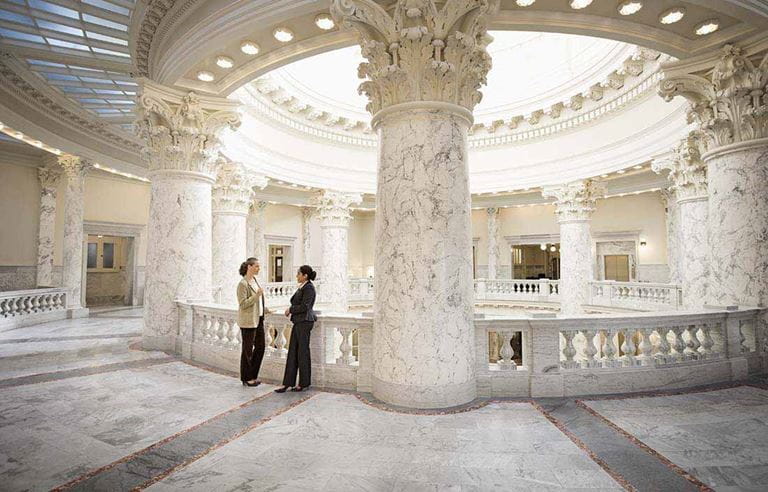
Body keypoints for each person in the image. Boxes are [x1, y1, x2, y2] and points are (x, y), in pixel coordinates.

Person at [275, 265, 317, 393]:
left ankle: (304, 383)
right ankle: (287, 383)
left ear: (305, 276)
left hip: (304, 322)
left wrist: (291, 310)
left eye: (298, 274)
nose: (296, 276)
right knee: (293, 352)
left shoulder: (309, 288)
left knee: (302, 353)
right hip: (299, 322)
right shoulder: (303, 287)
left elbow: (305, 306)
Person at [236, 257, 267, 387]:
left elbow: (256, 302)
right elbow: (243, 304)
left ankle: (253, 375)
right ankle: (246, 378)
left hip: (258, 319)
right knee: (247, 350)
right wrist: (257, 296)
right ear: (249, 267)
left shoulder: (254, 280)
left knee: (261, 347)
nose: (258, 269)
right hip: (248, 321)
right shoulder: (242, 284)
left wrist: (264, 309)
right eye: (256, 266)